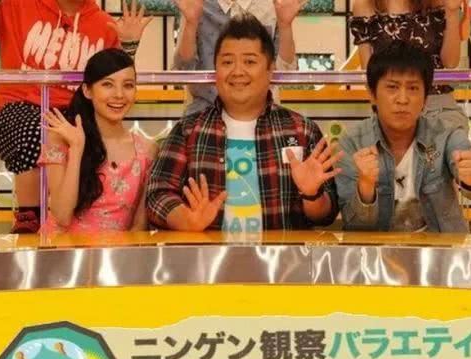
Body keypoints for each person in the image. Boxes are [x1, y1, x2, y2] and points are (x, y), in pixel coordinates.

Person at [0, 0, 152, 232]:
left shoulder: (104, 24)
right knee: (41, 133)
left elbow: (115, 78)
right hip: (17, 109)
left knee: (94, 139)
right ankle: (29, 217)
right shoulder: (18, 5)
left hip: (71, 113)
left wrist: (129, 45)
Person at [146, 14, 341, 232]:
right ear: (216, 70)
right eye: (227, 62)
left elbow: (326, 215)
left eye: (250, 61)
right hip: (209, 254)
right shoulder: (188, 131)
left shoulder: (302, 131)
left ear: (270, 69)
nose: (237, 72)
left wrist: (312, 194)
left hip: (282, 254)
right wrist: (187, 220)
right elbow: (157, 194)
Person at [335, 42, 471, 232]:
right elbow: (354, 225)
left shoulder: (446, 133)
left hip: (441, 248)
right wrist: (366, 186)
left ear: (425, 98)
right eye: (392, 87)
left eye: (413, 88)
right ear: (372, 94)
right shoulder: (353, 142)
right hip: (377, 250)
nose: (402, 99)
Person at [38, 48, 156, 232]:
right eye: (108, 84)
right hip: (62, 247)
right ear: (87, 90)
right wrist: (77, 149)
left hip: (117, 250)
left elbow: (139, 225)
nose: (119, 94)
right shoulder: (61, 138)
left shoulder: (147, 150)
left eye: (128, 85)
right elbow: (62, 216)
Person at [172, 0, 307, 116]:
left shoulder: (274, 5)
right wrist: (190, 23)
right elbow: (184, 67)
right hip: (205, 112)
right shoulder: (197, 4)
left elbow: (285, 70)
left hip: (262, 114)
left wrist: (285, 26)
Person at [350, 0, 468, 130]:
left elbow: (450, 63)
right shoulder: (366, 5)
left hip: (437, 103)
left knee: (453, 137)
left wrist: (452, 13)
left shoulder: (438, 3)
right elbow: (369, 73)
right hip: (392, 105)